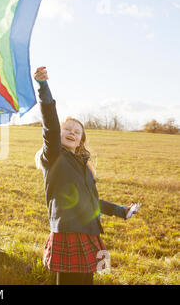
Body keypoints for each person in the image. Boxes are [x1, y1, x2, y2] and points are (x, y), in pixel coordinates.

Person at [33, 66, 137, 285]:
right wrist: (43, 87)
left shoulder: (83, 166)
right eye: (67, 129)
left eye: (77, 132)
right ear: (58, 135)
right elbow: (50, 125)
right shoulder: (53, 157)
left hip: (88, 233)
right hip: (68, 232)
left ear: (81, 140)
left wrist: (121, 211)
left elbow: (91, 202)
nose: (72, 133)